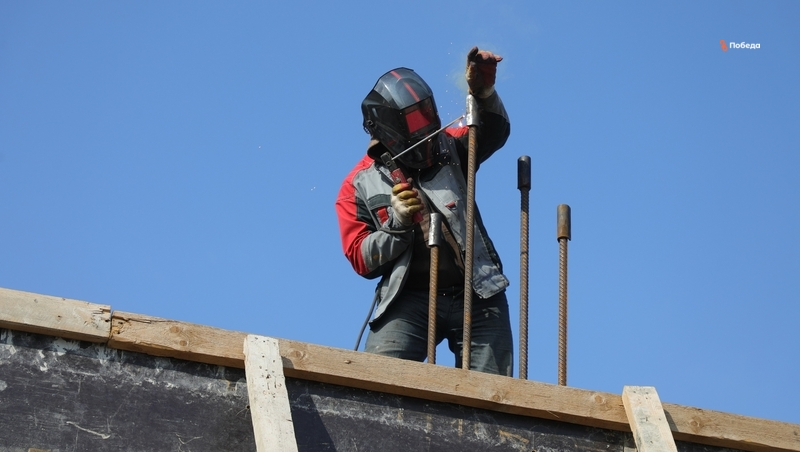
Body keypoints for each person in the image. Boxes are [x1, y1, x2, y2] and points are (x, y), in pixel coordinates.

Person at [335, 47, 513, 376]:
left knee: (493, 395)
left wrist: (483, 92)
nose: (426, 137)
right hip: (409, 299)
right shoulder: (358, 185)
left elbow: (493, 131)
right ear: (389, 131)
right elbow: (361, 258)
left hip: (477, 292)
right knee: (376, 382)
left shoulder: (449, 145)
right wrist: (398, 223)